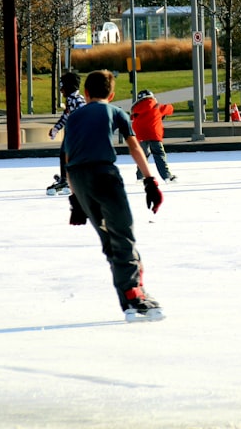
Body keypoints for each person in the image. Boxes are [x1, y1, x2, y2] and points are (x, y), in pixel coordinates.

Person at [63, 70, 164, 322]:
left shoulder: (73, 118)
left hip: (78, 179)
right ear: (112, 94)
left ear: (86, 93)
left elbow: (67, 159)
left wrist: (75, 200)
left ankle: (129, 298)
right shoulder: (115, 112)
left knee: (110, 241)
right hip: (104, 175)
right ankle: (134, 294)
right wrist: (150, 181)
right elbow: (134, 146)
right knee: (123, 234)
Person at [46, 72, 86, 195]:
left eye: (62, 86)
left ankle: (67, 179)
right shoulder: (70, 100)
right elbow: (65, 116)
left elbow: (84, 114)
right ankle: (67, 178)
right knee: (64, 155)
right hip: (71, 134)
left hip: (75, 135)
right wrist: (56, 128)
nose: (61, 90)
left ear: (69, 87)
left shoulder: (77, 100)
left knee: (67, 155)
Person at [130, 89, 177, 183]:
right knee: (159, 154)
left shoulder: (136, 109)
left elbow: (132, 118)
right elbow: (170, 109)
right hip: (154, 134)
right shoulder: (157, 106)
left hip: (140, 135)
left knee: (143, 155)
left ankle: (140, 176)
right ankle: (167, 176)